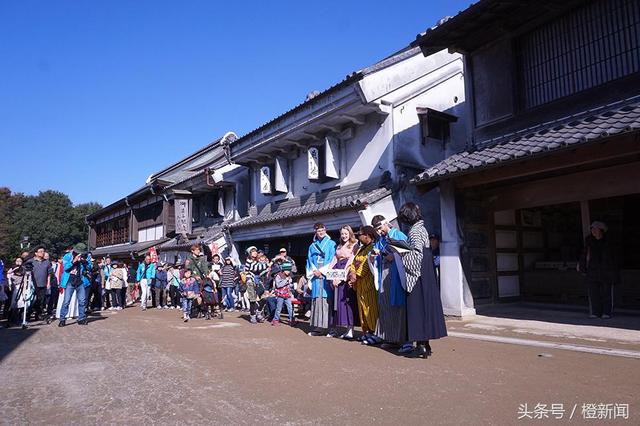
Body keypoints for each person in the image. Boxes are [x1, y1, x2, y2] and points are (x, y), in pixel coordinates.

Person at [397, 202, 447, 358]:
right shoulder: (421, 228)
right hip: (427, 269)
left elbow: (416, 254)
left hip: (418, 272)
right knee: (426, 307)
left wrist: (402, 252)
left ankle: (421, 346)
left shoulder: (414, 232)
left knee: (416, 308)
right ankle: (425, 344)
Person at [371, 215, 412, 353]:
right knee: (386, 305)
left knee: (399, 306)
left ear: (386, 223)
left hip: (397, 274)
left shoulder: (398, 234)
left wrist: (393, 256)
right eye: (376, 230)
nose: (379, 232)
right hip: (384, 274)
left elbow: (408, 252)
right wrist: (374, 254)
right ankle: (390, 338)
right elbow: (376, 253)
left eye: (379, 228)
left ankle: (405, 340)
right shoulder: (381, 240)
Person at [578, 221, 618, 319]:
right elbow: (584, 255)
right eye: (592, 229)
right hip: (593, 269)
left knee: (606, 293)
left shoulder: (609, 242)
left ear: (601, 230)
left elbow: (614, 257)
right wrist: (582, 266)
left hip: (606, 270)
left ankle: (606, 312)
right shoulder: (589, 241)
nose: (593, 231)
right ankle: (595, 312)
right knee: (593, 292)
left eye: (595, 229)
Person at [348, 226, 379, 345]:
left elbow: (366, 264)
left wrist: (356, 275)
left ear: (367, 235)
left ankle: (374, 332)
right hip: (359, 284)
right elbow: (353, 262)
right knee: (362, 309)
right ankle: (366, 332)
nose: (358, 237)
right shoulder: (361, 249)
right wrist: (352, 272)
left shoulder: (373, 247)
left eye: (360, 235)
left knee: (370, 308)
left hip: (368, 283)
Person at [327, 225, 359, 339]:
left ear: (350, 233)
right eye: (342, 234)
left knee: (348, 302)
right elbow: (334, 260)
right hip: (337, 272)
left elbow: (351, 262)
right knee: (340, 303)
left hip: (347, 274)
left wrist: (341, 278)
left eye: (346, 233)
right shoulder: (339, 245)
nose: (344, 236)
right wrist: (330, 274)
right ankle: (345, 329)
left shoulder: (355, 245)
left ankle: (351, 329)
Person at [305, 222, 337, 336]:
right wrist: (314, 271)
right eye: (318, 231)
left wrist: (322, 271)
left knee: (326, 300)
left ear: (325, 230)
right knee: (316, 300)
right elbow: (309, 260)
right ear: (315, 232)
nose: (320, 232)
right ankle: (318, 327)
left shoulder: (331, 244)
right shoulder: (311, 246)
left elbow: (333, 259)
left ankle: (330, 327)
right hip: (315, 276)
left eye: (322, 230)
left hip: (325, 276)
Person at [59, 245, 92, 327]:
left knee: (82, 301)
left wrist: (85, 262)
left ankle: (81, 318)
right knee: (66, 301)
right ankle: (62, 319)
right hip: (69, 281)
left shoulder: (86, 256)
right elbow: (66, 268)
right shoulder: (67, 256)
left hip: (80, 281)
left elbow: (90, 267)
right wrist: (74, 261)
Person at [25, 245, 52, 321]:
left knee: (41, 301)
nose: (42, 253)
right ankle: (28, 315)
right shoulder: (30, 261)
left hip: (43, 284)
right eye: (41, 251)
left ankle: (38, 315)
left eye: (43, 251)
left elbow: (49, 274)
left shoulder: (47, 262)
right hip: (32, 285)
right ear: (36, 253)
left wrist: (48, 283)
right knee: (31, 301)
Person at [271, 262, 296, 327]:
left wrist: (291, 285)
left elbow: (290, 285)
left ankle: (292, 320)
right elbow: (278, 285)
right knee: (279, 308)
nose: (288, 272)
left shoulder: (289, 276)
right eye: (287, 270)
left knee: (290, 308)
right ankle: (275, 320)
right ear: (283, 269)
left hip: (287, 295)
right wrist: (286, 280)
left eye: (289, 270)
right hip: (280, 295)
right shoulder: (278, 276)